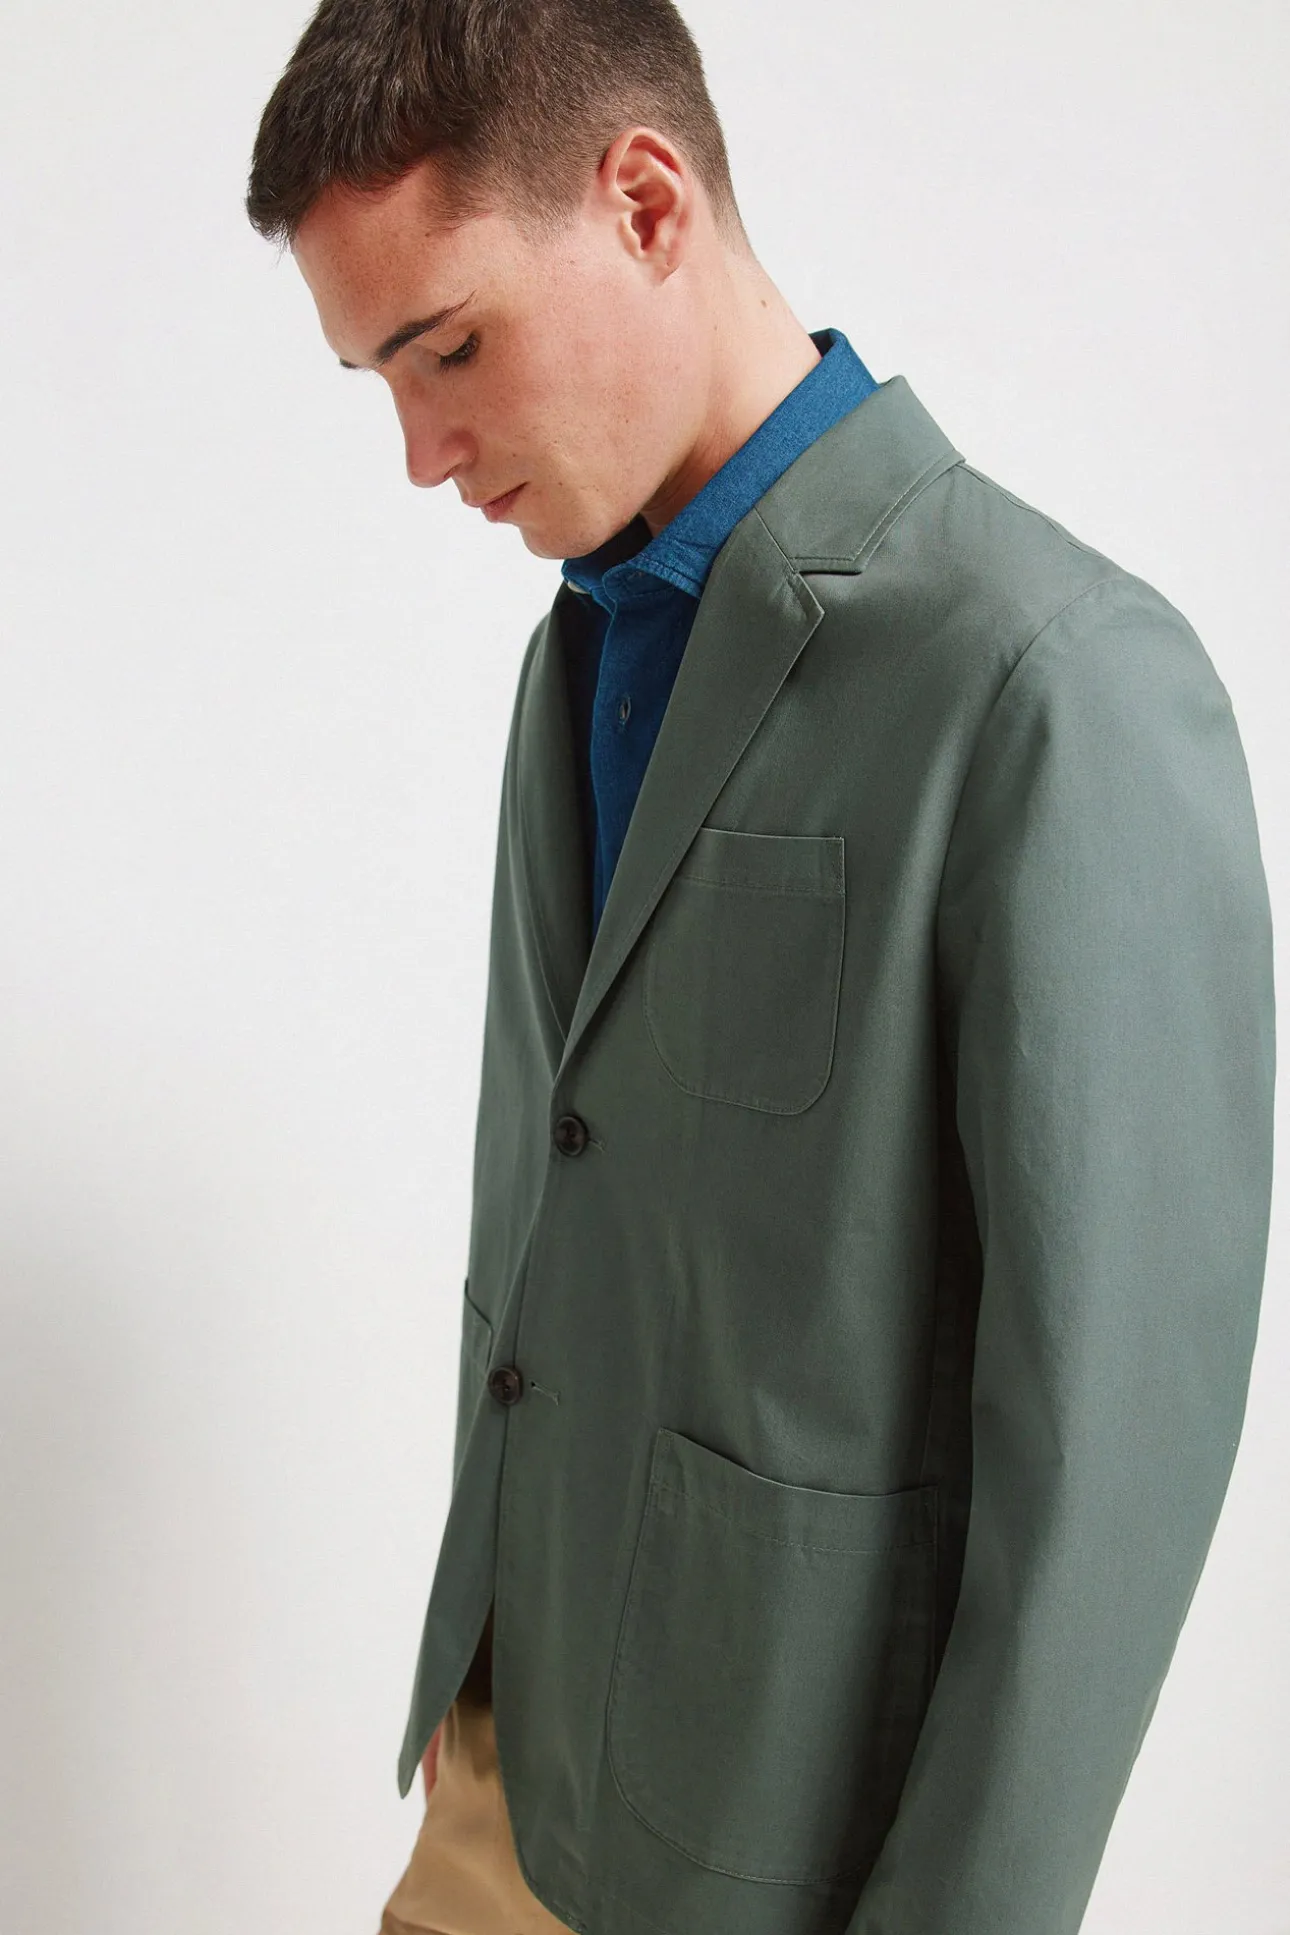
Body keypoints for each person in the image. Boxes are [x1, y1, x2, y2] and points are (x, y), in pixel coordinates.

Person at [244, 4, 1276, 1932]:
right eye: (377, 379)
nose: (421, 453)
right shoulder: (577, 646)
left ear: (645, 203)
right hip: (504, 1778)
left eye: (448, 348)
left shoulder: (1050, 682)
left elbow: (1106, 1472)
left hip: (780, 1853)